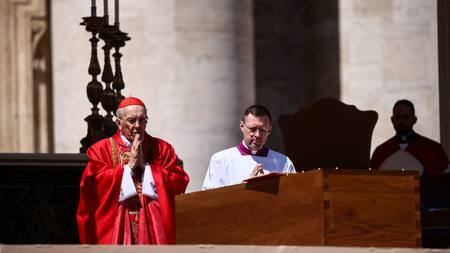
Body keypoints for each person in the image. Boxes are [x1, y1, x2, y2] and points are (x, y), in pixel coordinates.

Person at [77, 97, 189, 245]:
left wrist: (148, 169)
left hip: (153, 228)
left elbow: (179, 181)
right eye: (131, 121)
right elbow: (92, 187)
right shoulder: (101, 150)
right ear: (118, 123)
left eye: (142, 120)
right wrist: (127, 168)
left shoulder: (162, 148)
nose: (138, 126)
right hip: (119, 227)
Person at [202, 105, 296, 189]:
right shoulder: (220, 160)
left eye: (262, 130)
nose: (258, 135)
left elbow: (293, 197)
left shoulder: (284, 162)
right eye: (253, 129)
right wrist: (246, 187)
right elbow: (210, 200)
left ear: (269, 130)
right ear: (242, 126)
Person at [371, 99, 450, 175]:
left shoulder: (433, 149)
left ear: (414, 119)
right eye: (398, 117)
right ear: (392, 120)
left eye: (406, 117)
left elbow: (444, 181)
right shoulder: (380, 152)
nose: (402, 121)